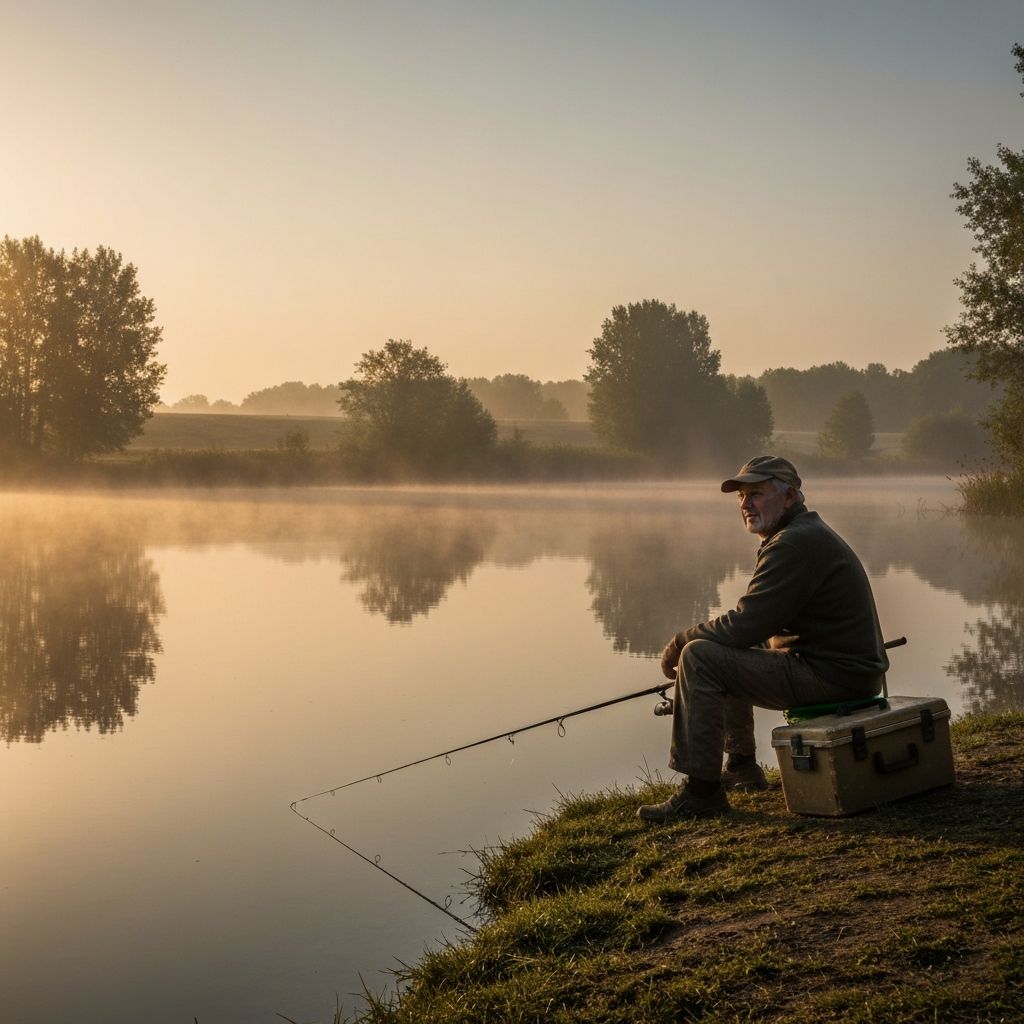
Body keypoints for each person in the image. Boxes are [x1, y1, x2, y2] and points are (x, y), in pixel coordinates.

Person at [637, 455, 889, 821]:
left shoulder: (793, 543)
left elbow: (744, 624)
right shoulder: (799, 533)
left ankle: (701, 794)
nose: (745, 504)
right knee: (725, 648)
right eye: (741, 497)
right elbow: (752, 627)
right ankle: (741, 766)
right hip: (847, 673)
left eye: (755, 493)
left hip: (834, 678)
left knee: (700, 656)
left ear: (789, 496)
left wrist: (679, 642)